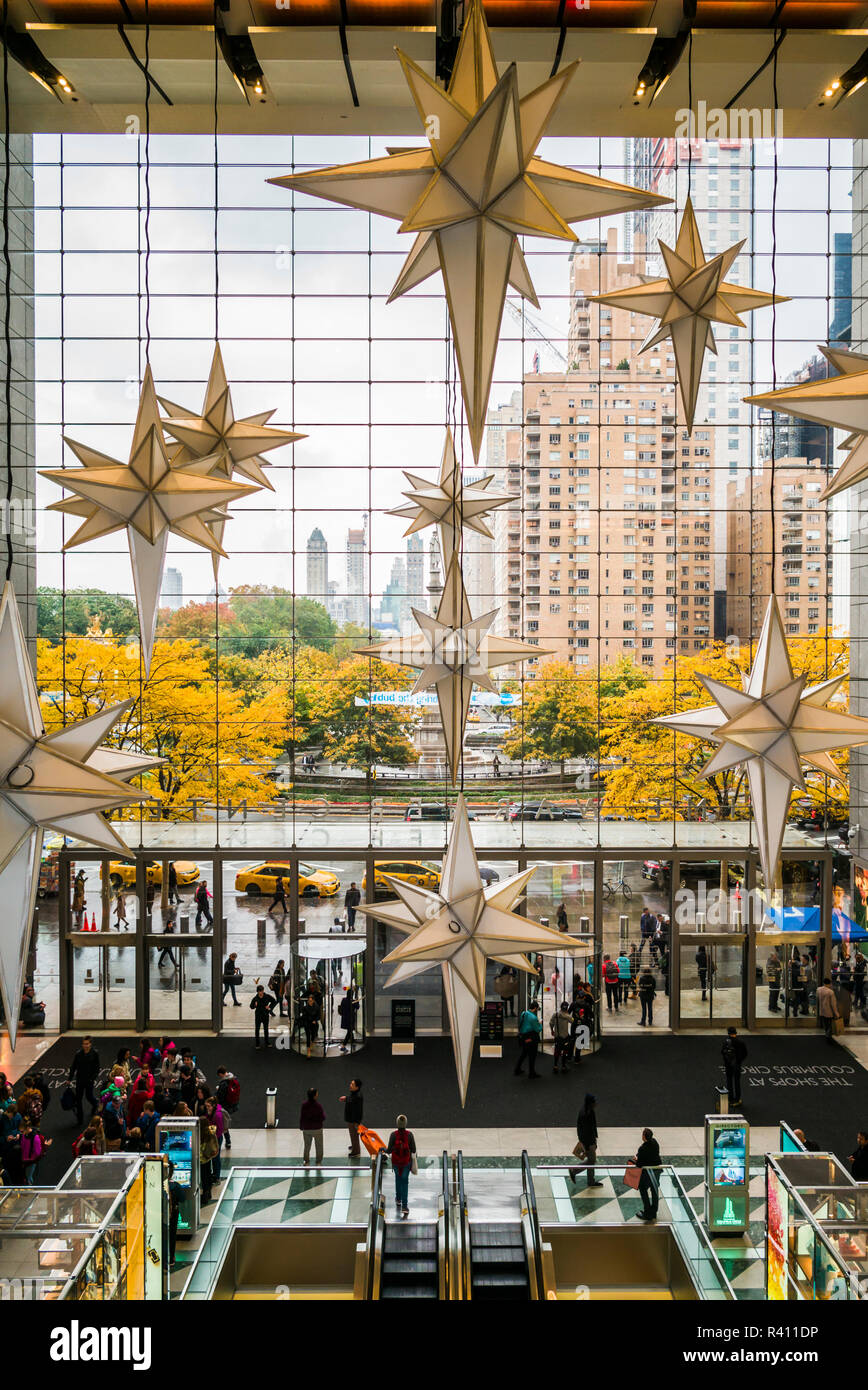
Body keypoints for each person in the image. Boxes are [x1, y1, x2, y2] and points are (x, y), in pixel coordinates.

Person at [386, 1114, 417, 1218]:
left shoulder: (393, 1135)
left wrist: (382, 1149)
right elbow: (413, 1149)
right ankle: (405, 1206)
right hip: (406, 1163)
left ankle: (398, 1199)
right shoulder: (409, 1135)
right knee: (405, 1182)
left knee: (397, 1179)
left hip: (395, 1162)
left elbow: (389, 1150)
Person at [569, 1093, 601, 1187]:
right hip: (588, 1142)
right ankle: (574, 1171)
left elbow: (591, 1128)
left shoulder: (589, 1111)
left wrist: (595, 1139)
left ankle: (590, 1181)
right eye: (594, 1101)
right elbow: (584, 1131)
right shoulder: (586, 1113)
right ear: (590, 1103)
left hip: (590, 1141)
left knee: (591, 1160)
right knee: (591, 1161)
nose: (596, 1103)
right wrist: (588, 1145)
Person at [69, 1036, 100, 1126]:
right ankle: (80, 1119)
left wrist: (93, 1078)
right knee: (78, 1099)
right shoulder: (78, 1054)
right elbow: (73, 1066)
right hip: (79, 1080)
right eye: (84, 1044)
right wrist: (69, 1079)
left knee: (89, 1096)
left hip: (89, 1080)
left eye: (87, 1044)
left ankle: (95, 1104)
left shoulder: (95, 1053)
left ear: (90, 1044)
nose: (85, 1046)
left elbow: (97, 1068)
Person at [634, 1127, 661, 1222]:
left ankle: (647, 1212)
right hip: (656, 1171)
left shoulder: (642, 1148)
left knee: (643, 1188)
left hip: (648, 1173)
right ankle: (653, 1211)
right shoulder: (655, 1142)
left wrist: (636, 1159)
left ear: (644, 1137)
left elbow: (639, 1164)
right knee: (654, 1190)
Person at [514, 1000, 542, 1078]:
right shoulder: (533, 1017)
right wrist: (540, 1024)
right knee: (532, 1055)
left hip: (523, 1037)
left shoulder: (524, 1013)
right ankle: (531, 1073)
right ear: (535, 1008)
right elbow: (538, 1029)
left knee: (524, 1054)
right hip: (531, 1037)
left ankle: (517, 1069)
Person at [215, 1066, 239, 1151]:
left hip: (224, 1106)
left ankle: (227, 1141)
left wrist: (217, 1091)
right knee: (224, 1123)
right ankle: (228, 1141)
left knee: (222, 1124)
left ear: (221, 1074)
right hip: (231, 1105)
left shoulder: (224, 1083)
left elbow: (220, 1097)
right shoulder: (233, 1079)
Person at [721, 1026, 747, 1107]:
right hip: (737, 1065)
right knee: (737, 1082)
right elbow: (745, 1053)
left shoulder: (726, 1042)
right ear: (735, 1033)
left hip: (728, 1065)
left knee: (729, 1081)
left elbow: (722, 1052)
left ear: (728, 1033)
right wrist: (739, 1061)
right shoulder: (741, 1042)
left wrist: (727, 1061)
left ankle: (730, 1098)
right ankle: (737, 1099)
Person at [299, 1086, 325, 1166]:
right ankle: (318, 1162)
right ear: (315, 1096)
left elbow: (302, 1116)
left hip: (306, 1129)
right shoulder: (318, 1106)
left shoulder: (304, 1105)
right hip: (317, 1129)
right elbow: (323, 1117)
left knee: (307, 1146)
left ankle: (306, 1161)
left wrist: (301, 1126)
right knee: (319, 1146)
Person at [340, 1078, 363, 1157]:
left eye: (352, 1084)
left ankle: (356, 1152)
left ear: (357, 1087)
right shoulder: (354, 1094)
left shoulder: (357, 1096)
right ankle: (354, 1146)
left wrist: (357, 1122)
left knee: (354, 1136)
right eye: (351, 1083)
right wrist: (346, 1098)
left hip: (353, 1120)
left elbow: (355, 1104)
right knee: (353, 1135)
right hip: (352, 1119)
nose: (350, 1085)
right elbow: (351, 1099)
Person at [250, 983, 276, 1049]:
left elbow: (274, 1001)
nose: (261, 992)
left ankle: (267, 1042)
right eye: (260, 991)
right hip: (258, 1015)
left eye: (262, 991)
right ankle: (257, 1044)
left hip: (265, 1015)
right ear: (258, 991)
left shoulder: (267, 996)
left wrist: (269, 1007)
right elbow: (251, 1006)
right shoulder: (255, 998)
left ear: (263, 990)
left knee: (266, 1029)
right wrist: (255, 1005)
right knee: (257, 1030)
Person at [550, 999, 573, 1074]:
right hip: (565, 1036)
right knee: (565, 1051)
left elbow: (551, 1023)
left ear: (560, 1007)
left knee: (557, 1051)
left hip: (557, 1036)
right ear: (567, 1008)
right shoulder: (568, 1016)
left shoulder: (555, 1015)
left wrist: (552, 1030)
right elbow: (573, 1021)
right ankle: (563, 1066)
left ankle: (555, 1066)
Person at [817, 976, 840, 1043]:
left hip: (822, 1010)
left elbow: (818, 999)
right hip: (829, 1011)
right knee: (830, 1024)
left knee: (825, 1023)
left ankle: (826, 1034)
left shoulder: (819, 989)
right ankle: (828, 1036)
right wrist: (836, 1013)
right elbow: (833, 1004)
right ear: (829, 984)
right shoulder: (830, 992)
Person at [301, 992, 321, 1058]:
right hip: (307, 1023)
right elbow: (304, 1016)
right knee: (308, 1036)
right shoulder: (305, 1007)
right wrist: (310, 1020)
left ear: (313, 1000)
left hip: (314, 1023)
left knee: (313, 1035)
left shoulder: (317, 1007)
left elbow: (319, 1015)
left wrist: (315, 1020)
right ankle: (308, 1051)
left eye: (311, 1000)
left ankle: (312, 1042)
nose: (310, 1002)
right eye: (309, 1001)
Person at [338, 987, 358, 1052]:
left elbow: (342, 1008)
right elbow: (357, 1007)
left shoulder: (344, 1000)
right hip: (351, 1018)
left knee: (350, 1030)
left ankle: (353, 1042)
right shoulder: (353, 1001)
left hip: (345, 1018)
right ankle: (343, 1046)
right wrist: (357, 1000)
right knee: (349, 1032)